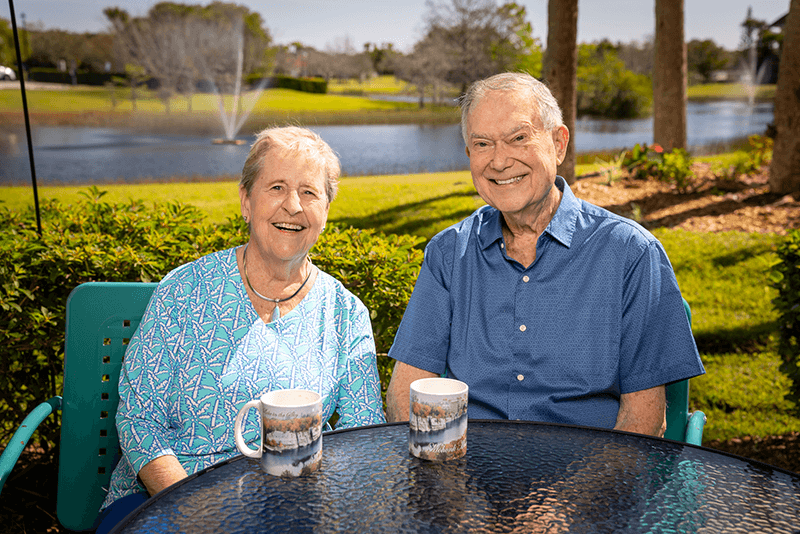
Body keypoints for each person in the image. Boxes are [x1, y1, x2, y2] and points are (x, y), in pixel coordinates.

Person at [96, 126, 386, 532]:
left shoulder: (345, 312)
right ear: (246, 200)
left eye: (309, 192)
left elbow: (362, 433)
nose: (293, 206)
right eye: (277, 188)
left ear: (325, 211)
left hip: (292, 508)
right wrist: (194, 511)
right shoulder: (185, 290)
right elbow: (140, 418)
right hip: (168, 500)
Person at [386, 72, 704, 436]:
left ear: (558, 143)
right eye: (483, 144)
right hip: (467, 477)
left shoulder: (631, 254)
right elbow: (405, 394)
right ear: (469, 155)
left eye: (518, 138)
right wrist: (449, 484)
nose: (499, 161)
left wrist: (567, 497)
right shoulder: (447, 253)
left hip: (588, 480)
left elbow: (643, 422)